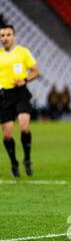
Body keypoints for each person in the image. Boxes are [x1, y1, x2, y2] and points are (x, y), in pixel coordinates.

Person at [0, 24, 40, 177]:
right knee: (7, 134)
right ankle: (14, 164)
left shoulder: (23, 52)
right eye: (2, 35)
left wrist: (25, 79)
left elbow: (36, 71)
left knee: (24, 126)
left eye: (8, 35)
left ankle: (27, 160)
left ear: (14, 36)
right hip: (4, 96)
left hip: (21, 93)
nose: (5, 38)